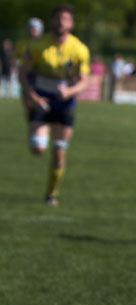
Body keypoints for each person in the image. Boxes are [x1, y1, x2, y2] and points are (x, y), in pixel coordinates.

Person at [19, 4, 89, 206]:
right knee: (37, 148)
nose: (61, 22)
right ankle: (38, 131)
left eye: (65, 19)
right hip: (41, 101)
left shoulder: (79, 49)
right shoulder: (37, 46)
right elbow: (23, 75)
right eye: (58, 18)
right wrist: (32, 96)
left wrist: (69, 91)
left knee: (59, 151)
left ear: (72, 24)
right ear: (51, 22)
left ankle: (52, 193)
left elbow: (84, 80)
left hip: (64, 104)